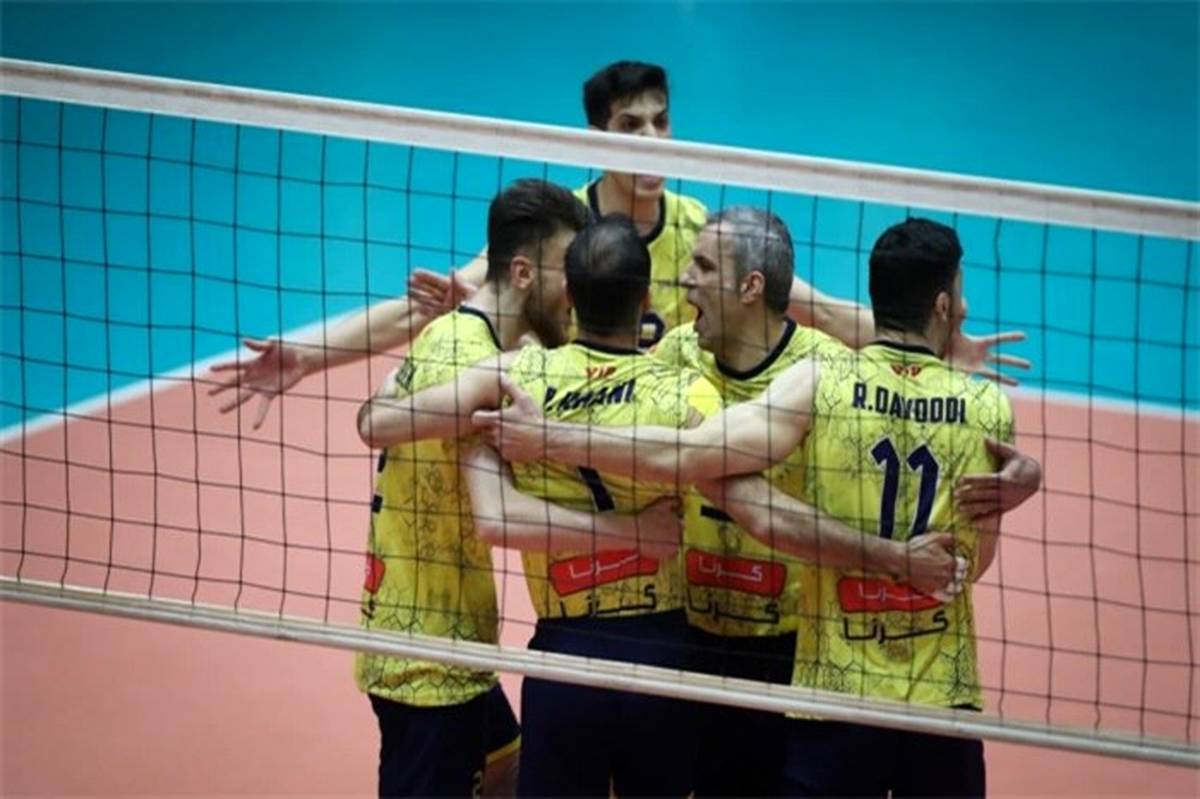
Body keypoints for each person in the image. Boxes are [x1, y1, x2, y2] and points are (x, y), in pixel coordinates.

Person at [360, 215, 968, 797]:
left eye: (703, 266)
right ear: (646, 300)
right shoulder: (680, 375)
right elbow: (728, 483)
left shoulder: (522, 374)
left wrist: (468, 373)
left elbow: (381, 427)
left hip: (678, 649)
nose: (687, 279)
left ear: (569, 292)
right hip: (674, 646)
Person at [210, 60, 1027, 429]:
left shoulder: (702, 230)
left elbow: (817, 308)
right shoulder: (557, 227)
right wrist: (306, 355)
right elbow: (421, 310)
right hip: (576, 438)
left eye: (662, 121)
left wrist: (932, 343)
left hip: (679, 437)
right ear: (596, 136)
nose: (653, 139)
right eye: (631, 125)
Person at [350, 178, 615, 798]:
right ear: (523, 274)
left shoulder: (454, 333)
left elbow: (374, 416)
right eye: (567, 273)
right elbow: (500, 515)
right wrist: (633, 533)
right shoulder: (476, 366)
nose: (576, 292)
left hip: (448, 640)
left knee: (508, 773)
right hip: (426, 665)